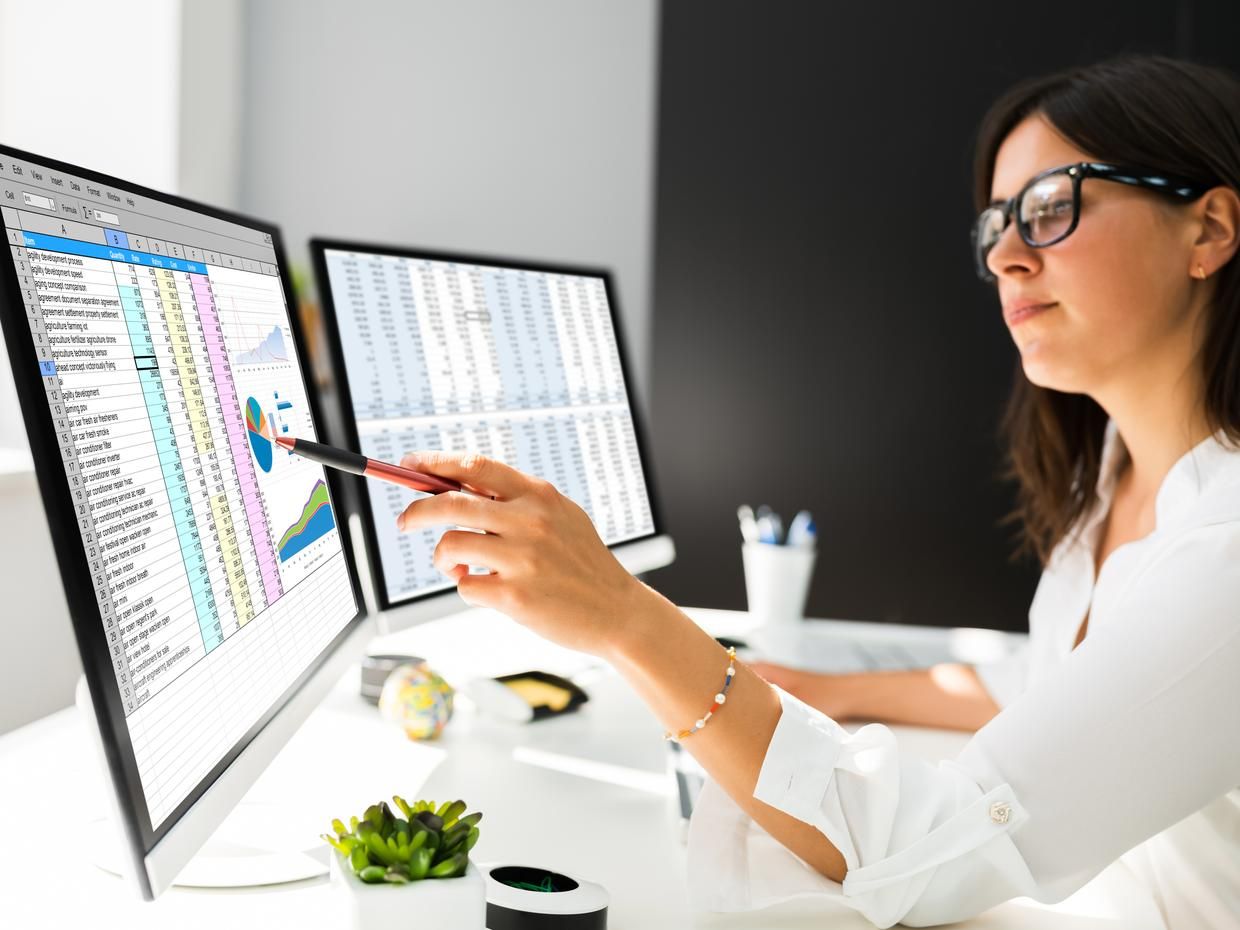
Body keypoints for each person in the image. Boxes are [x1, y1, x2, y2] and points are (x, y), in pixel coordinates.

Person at [395, 55, 1240, 929]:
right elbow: (1052, 674)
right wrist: (828, 690)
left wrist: (623, 615)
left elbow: (921, 857)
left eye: (1053, 208)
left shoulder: (1227, 549)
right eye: (995, 225)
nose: (1009, 257)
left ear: (1209, 229)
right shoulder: (1111, 476)